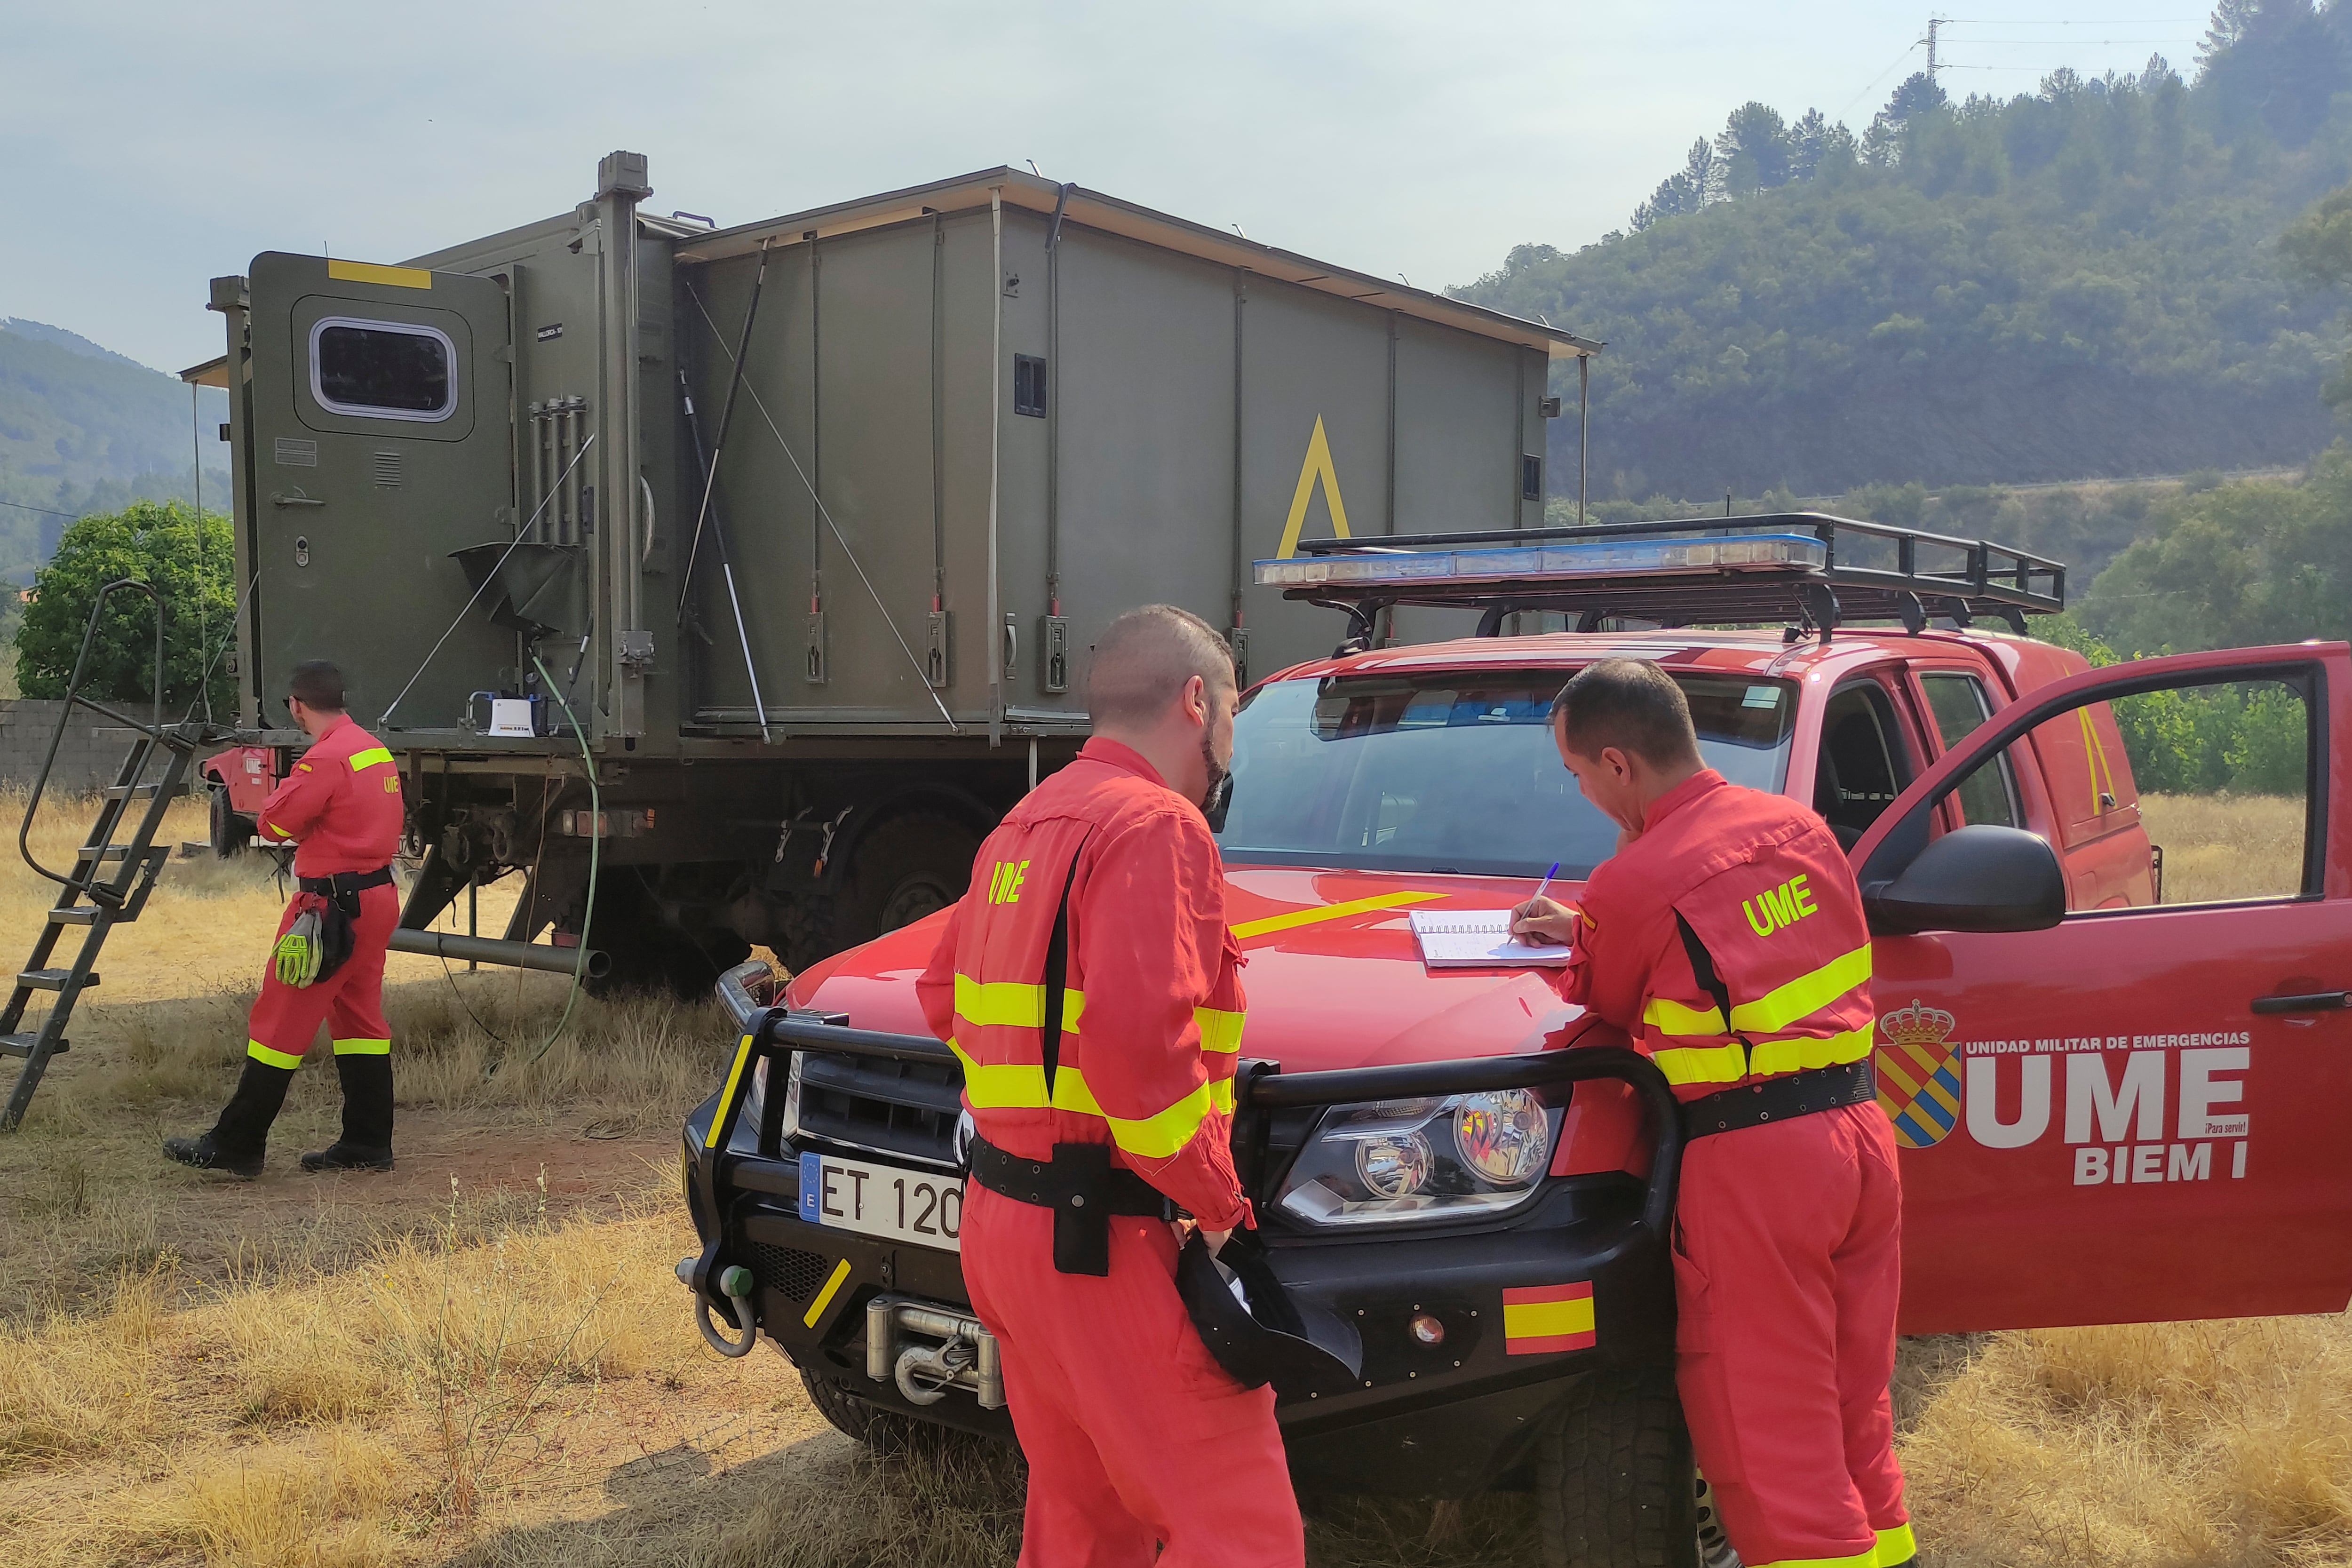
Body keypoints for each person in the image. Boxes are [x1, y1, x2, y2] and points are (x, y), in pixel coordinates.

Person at [915, 605, 1300, 1568]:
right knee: (1240, 1528)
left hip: (1006, 1228)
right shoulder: (1157, 826)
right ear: (1197, 701)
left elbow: (941, 994)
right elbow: (1138, 1065)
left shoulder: (1023, 823)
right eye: (1231, 720)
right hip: (1109, 1237)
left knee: (1085, 1519)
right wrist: (1219, 1207)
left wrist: (1033, 1110)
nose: (1228, 749)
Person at [1510, 659, 1914, 1568]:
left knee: (1766, 1417)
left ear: (1618, 763)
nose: (1584, 794)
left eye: (1578, 774)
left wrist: (1587, 921)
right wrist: (1593, 916)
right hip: (1858, 1135)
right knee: (1853, 1398)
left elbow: (1611, 991)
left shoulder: (1636, 875)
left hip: (1754, 1161)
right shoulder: (1801, 829)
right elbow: (1738, 949)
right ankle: (1893, 1551)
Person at [166, 661, 405, 1178]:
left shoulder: (324, 759)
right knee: (360, 1018)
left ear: (296, 705)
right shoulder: (372, 748)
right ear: (341, 699)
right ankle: (367, 1142)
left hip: (329, 909)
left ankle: (238, 1142)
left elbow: (273, 824)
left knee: (279, 1019)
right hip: (376, 898)